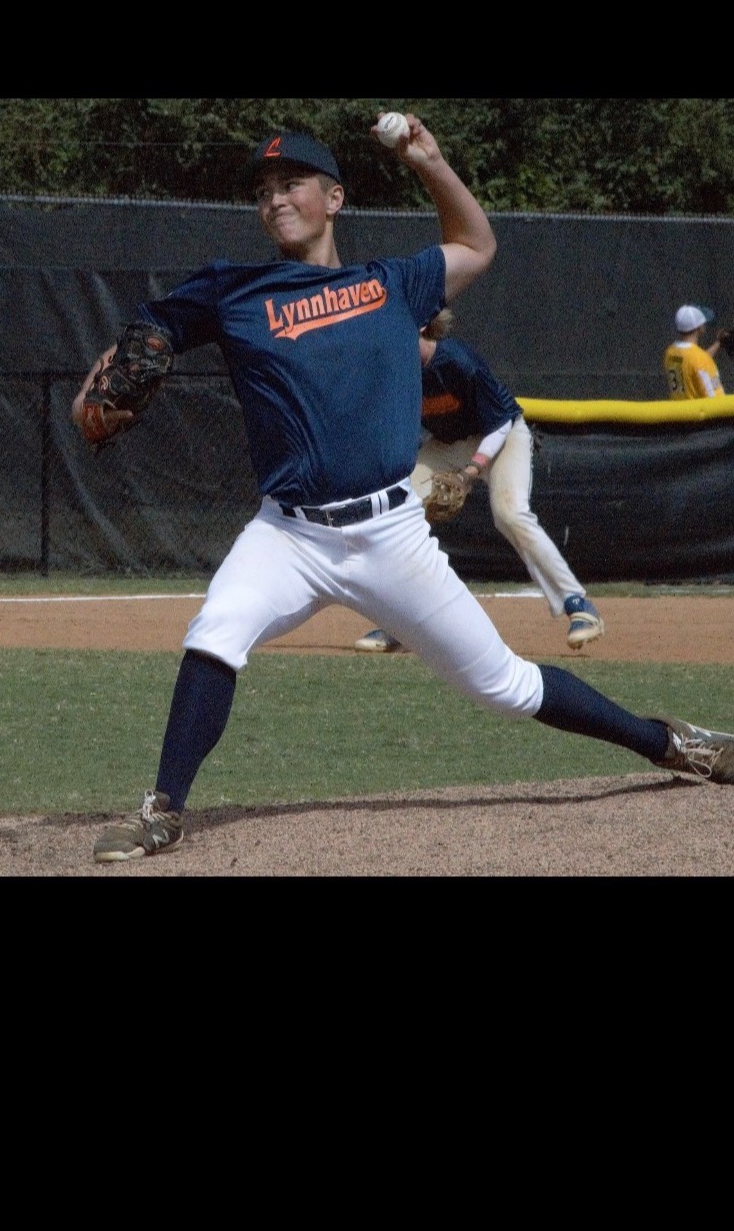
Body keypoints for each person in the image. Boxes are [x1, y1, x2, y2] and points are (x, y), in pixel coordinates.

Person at [71, 114, 734, 862]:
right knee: (214, 633)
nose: (276, 199)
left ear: (334, 198)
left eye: (292, 183)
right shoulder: (234, 290)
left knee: (507, 687)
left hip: (390, 533)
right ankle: (162, 810)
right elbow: (147, 334)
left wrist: (431, 163)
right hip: (289, 533)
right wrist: (97, 388)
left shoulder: (389, 285)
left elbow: (477, 245)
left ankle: (673, 743)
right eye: (263, 190)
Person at [355, 308, 604, 654]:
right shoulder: (397, 371)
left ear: (422, 328)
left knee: (510, 513)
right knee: (398, 513)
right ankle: (401, 623)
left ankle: (578, 605)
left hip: (502, 436)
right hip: (447, 445)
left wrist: (470, 472)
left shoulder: (458, 362)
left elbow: (500, 423)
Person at [664, 304, 725, 398]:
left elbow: (691, 362)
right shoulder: (700, 359)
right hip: (699, 408)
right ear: (699, 327)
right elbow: (716, 398)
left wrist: (718, 343)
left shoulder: (670, 353)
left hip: (678, 406)